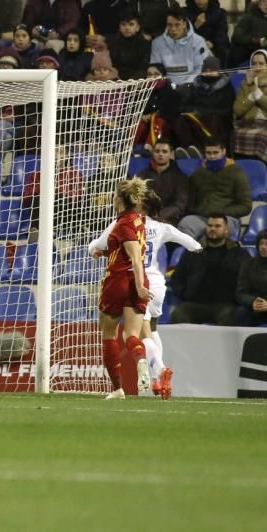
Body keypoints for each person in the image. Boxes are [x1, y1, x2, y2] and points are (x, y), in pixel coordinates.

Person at [89, 190, 201, 400]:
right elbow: (192, 244)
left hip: (129, 279)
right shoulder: (160, 227)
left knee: (124, 334)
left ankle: (155, 371)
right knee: (147, 331)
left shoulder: (121, 223)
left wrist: (96, 251)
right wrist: (197, 247)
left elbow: (105, 247)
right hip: (156, 283)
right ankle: (156, 374)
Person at [96, 178, 151, 400]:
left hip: (120, 281)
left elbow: (135, 258)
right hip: (137, 279)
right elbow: (128, 252)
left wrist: (138, 286)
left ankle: (117, 388)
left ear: (118, 198)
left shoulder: (124, 223)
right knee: (131, 334)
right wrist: (107, 252)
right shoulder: (139, 220)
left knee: (108, 333)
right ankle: (141, 360)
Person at [169, 214, 249, 326]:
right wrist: (185, 294)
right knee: (179, 314)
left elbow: (247, 280)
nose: (213, 229)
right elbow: (177, 278)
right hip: (195, 303)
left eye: (217, 226)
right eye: (210, 225)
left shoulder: (239, 254)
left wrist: (236, 299)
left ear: (226, 230)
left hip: (225, 304)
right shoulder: (192, 251)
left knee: (229, 316)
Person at [177, 139, 252, 241]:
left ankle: (204, 251)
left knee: (212, 232)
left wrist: (221, 212)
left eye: (215, 152)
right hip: (202, 217)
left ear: (223, 152)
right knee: (185, 224)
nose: (212, 156)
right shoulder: (197, 174)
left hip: (227, 218)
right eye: (208, 153)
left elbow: (246, 206)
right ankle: (191, 254)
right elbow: (190, 203)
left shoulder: (237, 173)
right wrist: (202, 210)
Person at [149, 7, 208, 86]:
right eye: (170, 25)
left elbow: (200, 68)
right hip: (166, 86)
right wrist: (169, 85)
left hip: (191, 86)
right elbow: (155, 70)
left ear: (184, 24)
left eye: (177, 25)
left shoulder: (198, 41)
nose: (173, 29)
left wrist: (187, 84)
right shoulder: (157, 43)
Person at [135, 139, 188, 227]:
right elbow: (137, 199)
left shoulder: (180, 178)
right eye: (157, 151)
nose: (160, 154)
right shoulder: (142, 175)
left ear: (171, 154)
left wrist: (158, 216)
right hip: (145, 218)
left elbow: (179, 206)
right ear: (153, 153)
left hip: (169, 220)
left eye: (164, 151)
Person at [232, 49, 267, 163]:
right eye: (254, 63)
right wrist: (252, 94)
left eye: (261, 63)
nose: (257, 67)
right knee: (237, 134)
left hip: (264, 125)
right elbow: (238, 110)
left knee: (262, 136)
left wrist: (258, 94)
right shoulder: (245, 84)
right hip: (248, 123)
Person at [235, 230, 267, 327]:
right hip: (254, 306)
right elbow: (240, 294)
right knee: (241, 312)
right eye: (261, 243)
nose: (263, 247)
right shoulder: (247, 264)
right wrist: (252, 301)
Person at [228, 0, 267, 68]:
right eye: (263, 1)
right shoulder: (249, 17)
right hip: (249, 49)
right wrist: (253, 40)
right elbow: (237, 36)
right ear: (259, 4)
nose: (266, 4)